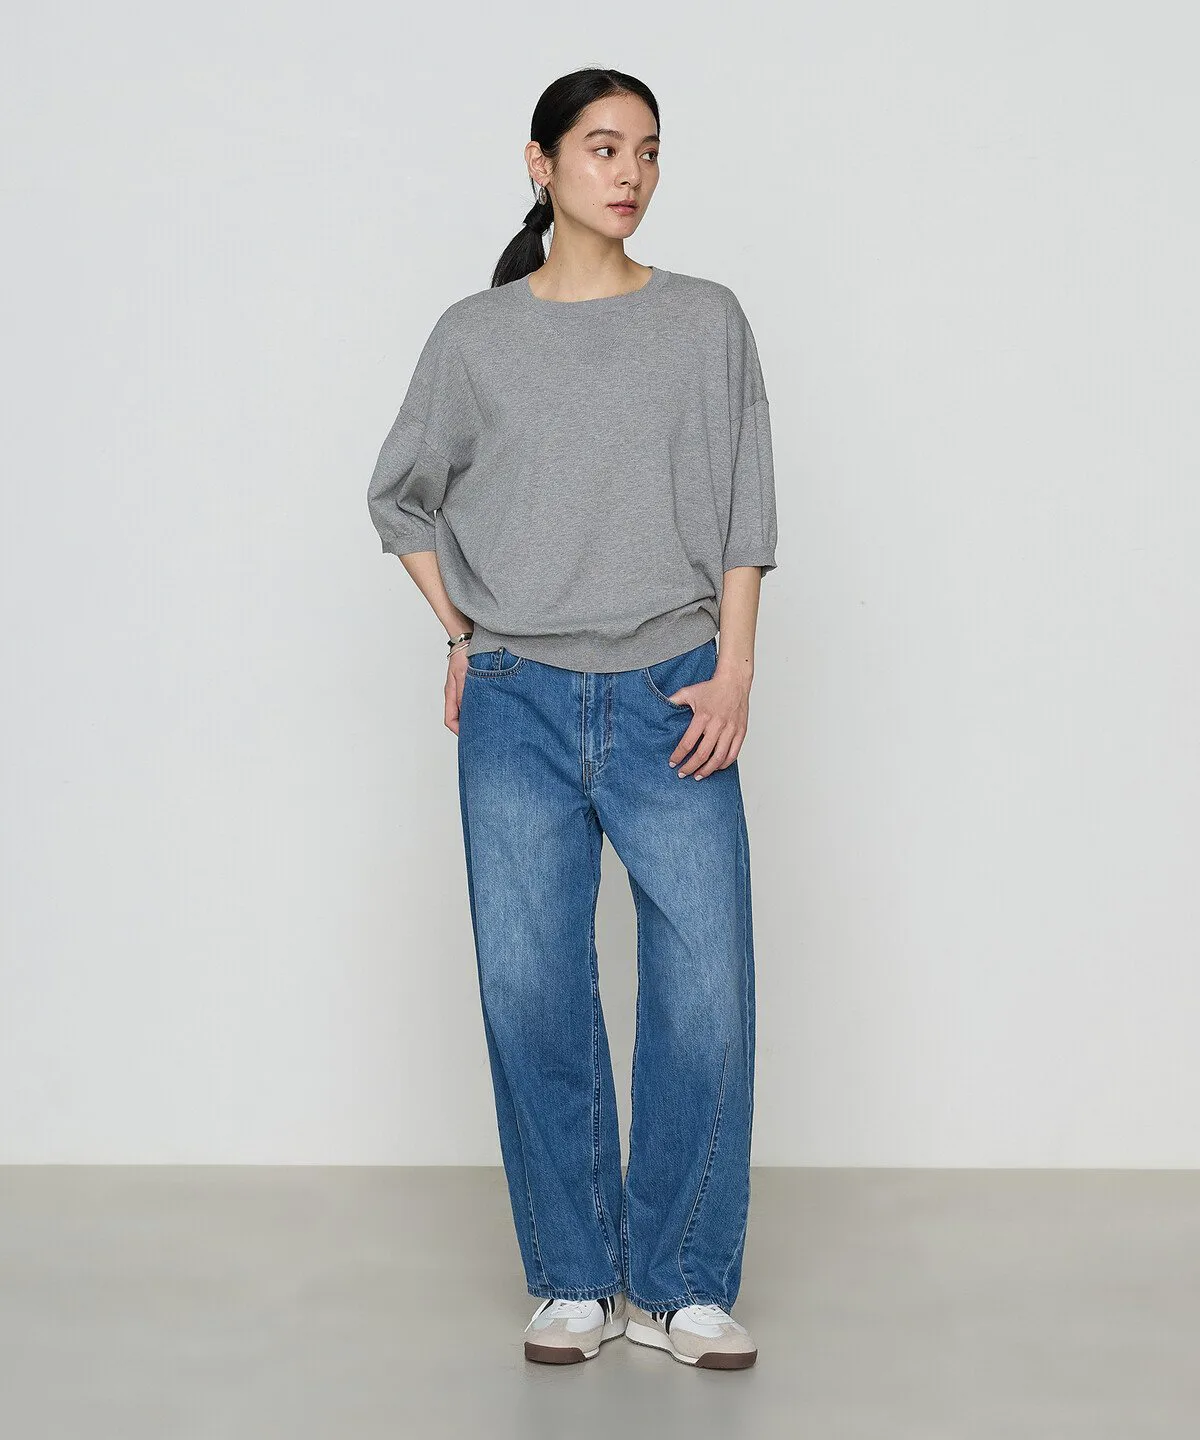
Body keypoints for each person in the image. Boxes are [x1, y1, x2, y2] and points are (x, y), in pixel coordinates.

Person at [366, 68, 777, 1370]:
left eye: (647, 150)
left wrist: (736, 670)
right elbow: (400, 496)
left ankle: (681, 1283)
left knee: (707, 991)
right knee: (530, 989)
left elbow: (745, 510)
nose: (630, 173)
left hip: (674, 691)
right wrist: (463, 636)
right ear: (540, 164)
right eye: (603, 148)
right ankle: (574, 1278)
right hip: (519, 706)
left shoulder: (706, 320)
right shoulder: (475, 337)